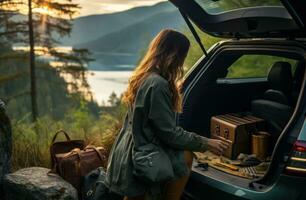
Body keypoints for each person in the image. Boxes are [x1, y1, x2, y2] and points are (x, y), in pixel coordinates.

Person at [105, 29, 228, 200]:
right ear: (174, 55)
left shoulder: (143, 77)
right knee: (186, 158)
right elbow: (168, 133)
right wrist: (206, 143)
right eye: (183, 56)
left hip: (128, 150)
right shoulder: (158, 85)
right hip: (141, 155)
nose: (182, 62)